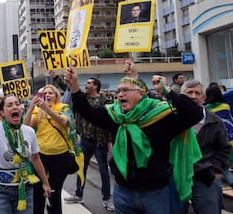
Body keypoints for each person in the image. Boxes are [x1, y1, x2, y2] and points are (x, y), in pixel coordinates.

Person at [64, 66, 203, 214]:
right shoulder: (114, 115)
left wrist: (167, 90)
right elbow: (87, 111)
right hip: (123, 191)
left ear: (141, 94)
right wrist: (74, 86)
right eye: (119, 91)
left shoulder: (161, 115)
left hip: (155, 193)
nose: (120, 94)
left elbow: (194, 115)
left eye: (125, 90)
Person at [24, 84, 83, 214]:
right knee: (38, 192)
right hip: (40, 157)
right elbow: (25, 125)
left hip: (60, 158)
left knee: (54, 193)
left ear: (56, 95)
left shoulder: (64, 108)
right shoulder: (37, 111)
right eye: (45, 93)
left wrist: (48, 111)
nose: (48, 95)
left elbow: (64, 122)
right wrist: (31, 108)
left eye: (50, 93)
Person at [177, 80, 231, 214]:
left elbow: (224, 148)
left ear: (204, 97)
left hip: (205, 177)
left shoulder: (214, 121)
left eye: (197, 93)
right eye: (189, 92)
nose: (193, 96)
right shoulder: (172, 119)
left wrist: (216, 170)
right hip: (177, 178)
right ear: (181, 95)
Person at [64, 77, 114, 212]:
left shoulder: (106, 100)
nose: (86, 84)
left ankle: (107, 198)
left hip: (100, 141)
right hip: (85, 139)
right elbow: (67, 89)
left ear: (96, 86)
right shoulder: (83, 99)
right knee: (81, 168)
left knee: (104, 170)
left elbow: (111, 119)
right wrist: (55, 77)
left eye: (89, 83)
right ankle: (78, 194)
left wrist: (110, 140)